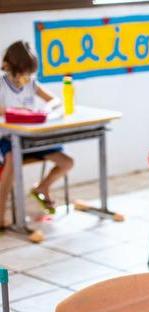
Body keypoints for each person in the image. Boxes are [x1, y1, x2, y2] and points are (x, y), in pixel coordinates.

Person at [0, 41, 74, 224]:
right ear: (7, 66)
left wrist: (47, 109)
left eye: (28, 74)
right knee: (10, 165)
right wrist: (13, 111)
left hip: (32, 139)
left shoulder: (31, 83)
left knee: (66, 162)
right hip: (9, 139)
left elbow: (55, 100)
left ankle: (41, 188)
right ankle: (0, 215)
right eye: (20, 74)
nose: (24, 79)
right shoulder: (1, 84)